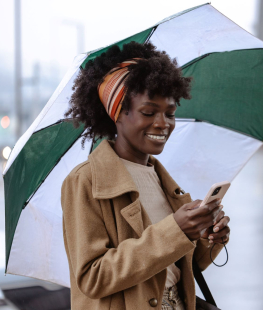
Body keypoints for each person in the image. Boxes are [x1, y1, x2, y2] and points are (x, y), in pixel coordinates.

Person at [61, 41, 230, 310]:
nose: (163, 123)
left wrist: (208, 238)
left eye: (170, 113)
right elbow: (92, 277)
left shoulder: (162, 181)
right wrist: (175, 229)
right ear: (117, 113)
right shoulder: (86, 181)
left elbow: (177, 268)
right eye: (149, 112)